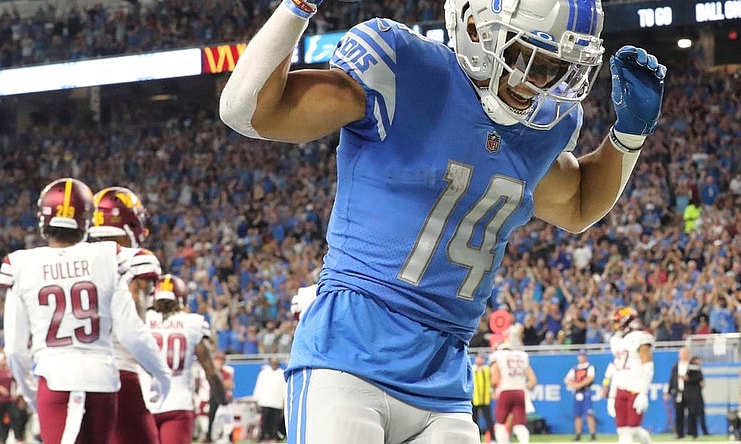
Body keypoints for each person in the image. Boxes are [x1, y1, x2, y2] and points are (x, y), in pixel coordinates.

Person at [218, 0, 666, 441]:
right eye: (525, 56)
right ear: (476, 28)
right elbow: (247, 110)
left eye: (556, 66)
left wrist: (627, 138)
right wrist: (297, 5)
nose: (538, 81)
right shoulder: (407, 70)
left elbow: (579, 205)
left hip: (445, 375)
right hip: (350, 350)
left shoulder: (544, 126)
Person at [0, 177, 172, 444]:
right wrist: (161, 374)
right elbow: (132, 331)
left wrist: (31, 393)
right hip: (104, 374)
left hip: (55, 375)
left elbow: (14, 349)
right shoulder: (110, 257)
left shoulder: (21, 263)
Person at [88, 186, 165, 444]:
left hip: (69, 375)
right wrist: (158, 371)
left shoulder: (73, 258)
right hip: (118, 370)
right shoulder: (136, 259)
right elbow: (132, 326)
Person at [145, 274, 226, 444]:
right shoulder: (193, 323)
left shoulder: (142, 321)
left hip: (145, 403)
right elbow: (211, 372)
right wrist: (222, 399)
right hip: (178, 403)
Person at [607, 307, 655, 444]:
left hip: (635, 388)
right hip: (620, 387)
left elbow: (648, 366)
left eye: (617, 321)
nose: (615, 325)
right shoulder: (616, 340)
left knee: (633, 430)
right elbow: (617, 368)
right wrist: (612, 394)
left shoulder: (640, 337)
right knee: (622, 431)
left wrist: (644, 392)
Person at [490, 343, 537, 444]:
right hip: (520, 391)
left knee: (500, 422)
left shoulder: (500, 358)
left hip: (506, 391)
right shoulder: (521, 358)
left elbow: (494, 380)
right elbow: (533, 380)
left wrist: (492, 389)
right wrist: (524, 387)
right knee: (520, 423)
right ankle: (524, 442)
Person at [0, 352, 26, 444]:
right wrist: (0, 388)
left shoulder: (10, 372)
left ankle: (19, 438)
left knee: (16, 417)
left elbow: (17, 382)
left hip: (9, 400)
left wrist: (16, 393)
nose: (4, 361)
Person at [564, 350, 597, 442]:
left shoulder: (589, 367)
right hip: (577, 392)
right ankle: (578, 434)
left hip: (586, 391)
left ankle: (593, 435)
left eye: (583, 356)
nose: (582, 358)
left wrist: (580, 384)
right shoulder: (574, 368)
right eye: (580, 356)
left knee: (589, 413)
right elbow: (566, 379)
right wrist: (574, 385)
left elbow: (590, 378)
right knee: (577, 414)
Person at [253, 358, 286, 443]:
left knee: (275, 422)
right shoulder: (264, 373)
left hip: (277, 403)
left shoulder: (282, 373)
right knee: (265, 421)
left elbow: (284, 389)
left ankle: (274, 438)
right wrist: (256, 399)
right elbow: (259, 386)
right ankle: (263, 437)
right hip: (265, 401)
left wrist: (284, 401)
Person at [665, 347, 691, 439]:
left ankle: (691, 432)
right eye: (681, 353)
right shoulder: (676, 366)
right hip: (678, 393)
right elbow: (672, 379)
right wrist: (668, 392)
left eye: (685, 353)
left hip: (690, 393)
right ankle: (680, 434)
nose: (683, 355)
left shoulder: (692, 365)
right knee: (679, 414)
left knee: (692, 413)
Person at [472, 354, 494, 442]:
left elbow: (492, 381)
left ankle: (493, 438)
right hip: (475, 398)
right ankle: (476, 438)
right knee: (474, 420)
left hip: (485, 398)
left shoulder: (487, 369)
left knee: (489, 419)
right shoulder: (472, 369)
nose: (480, 360)